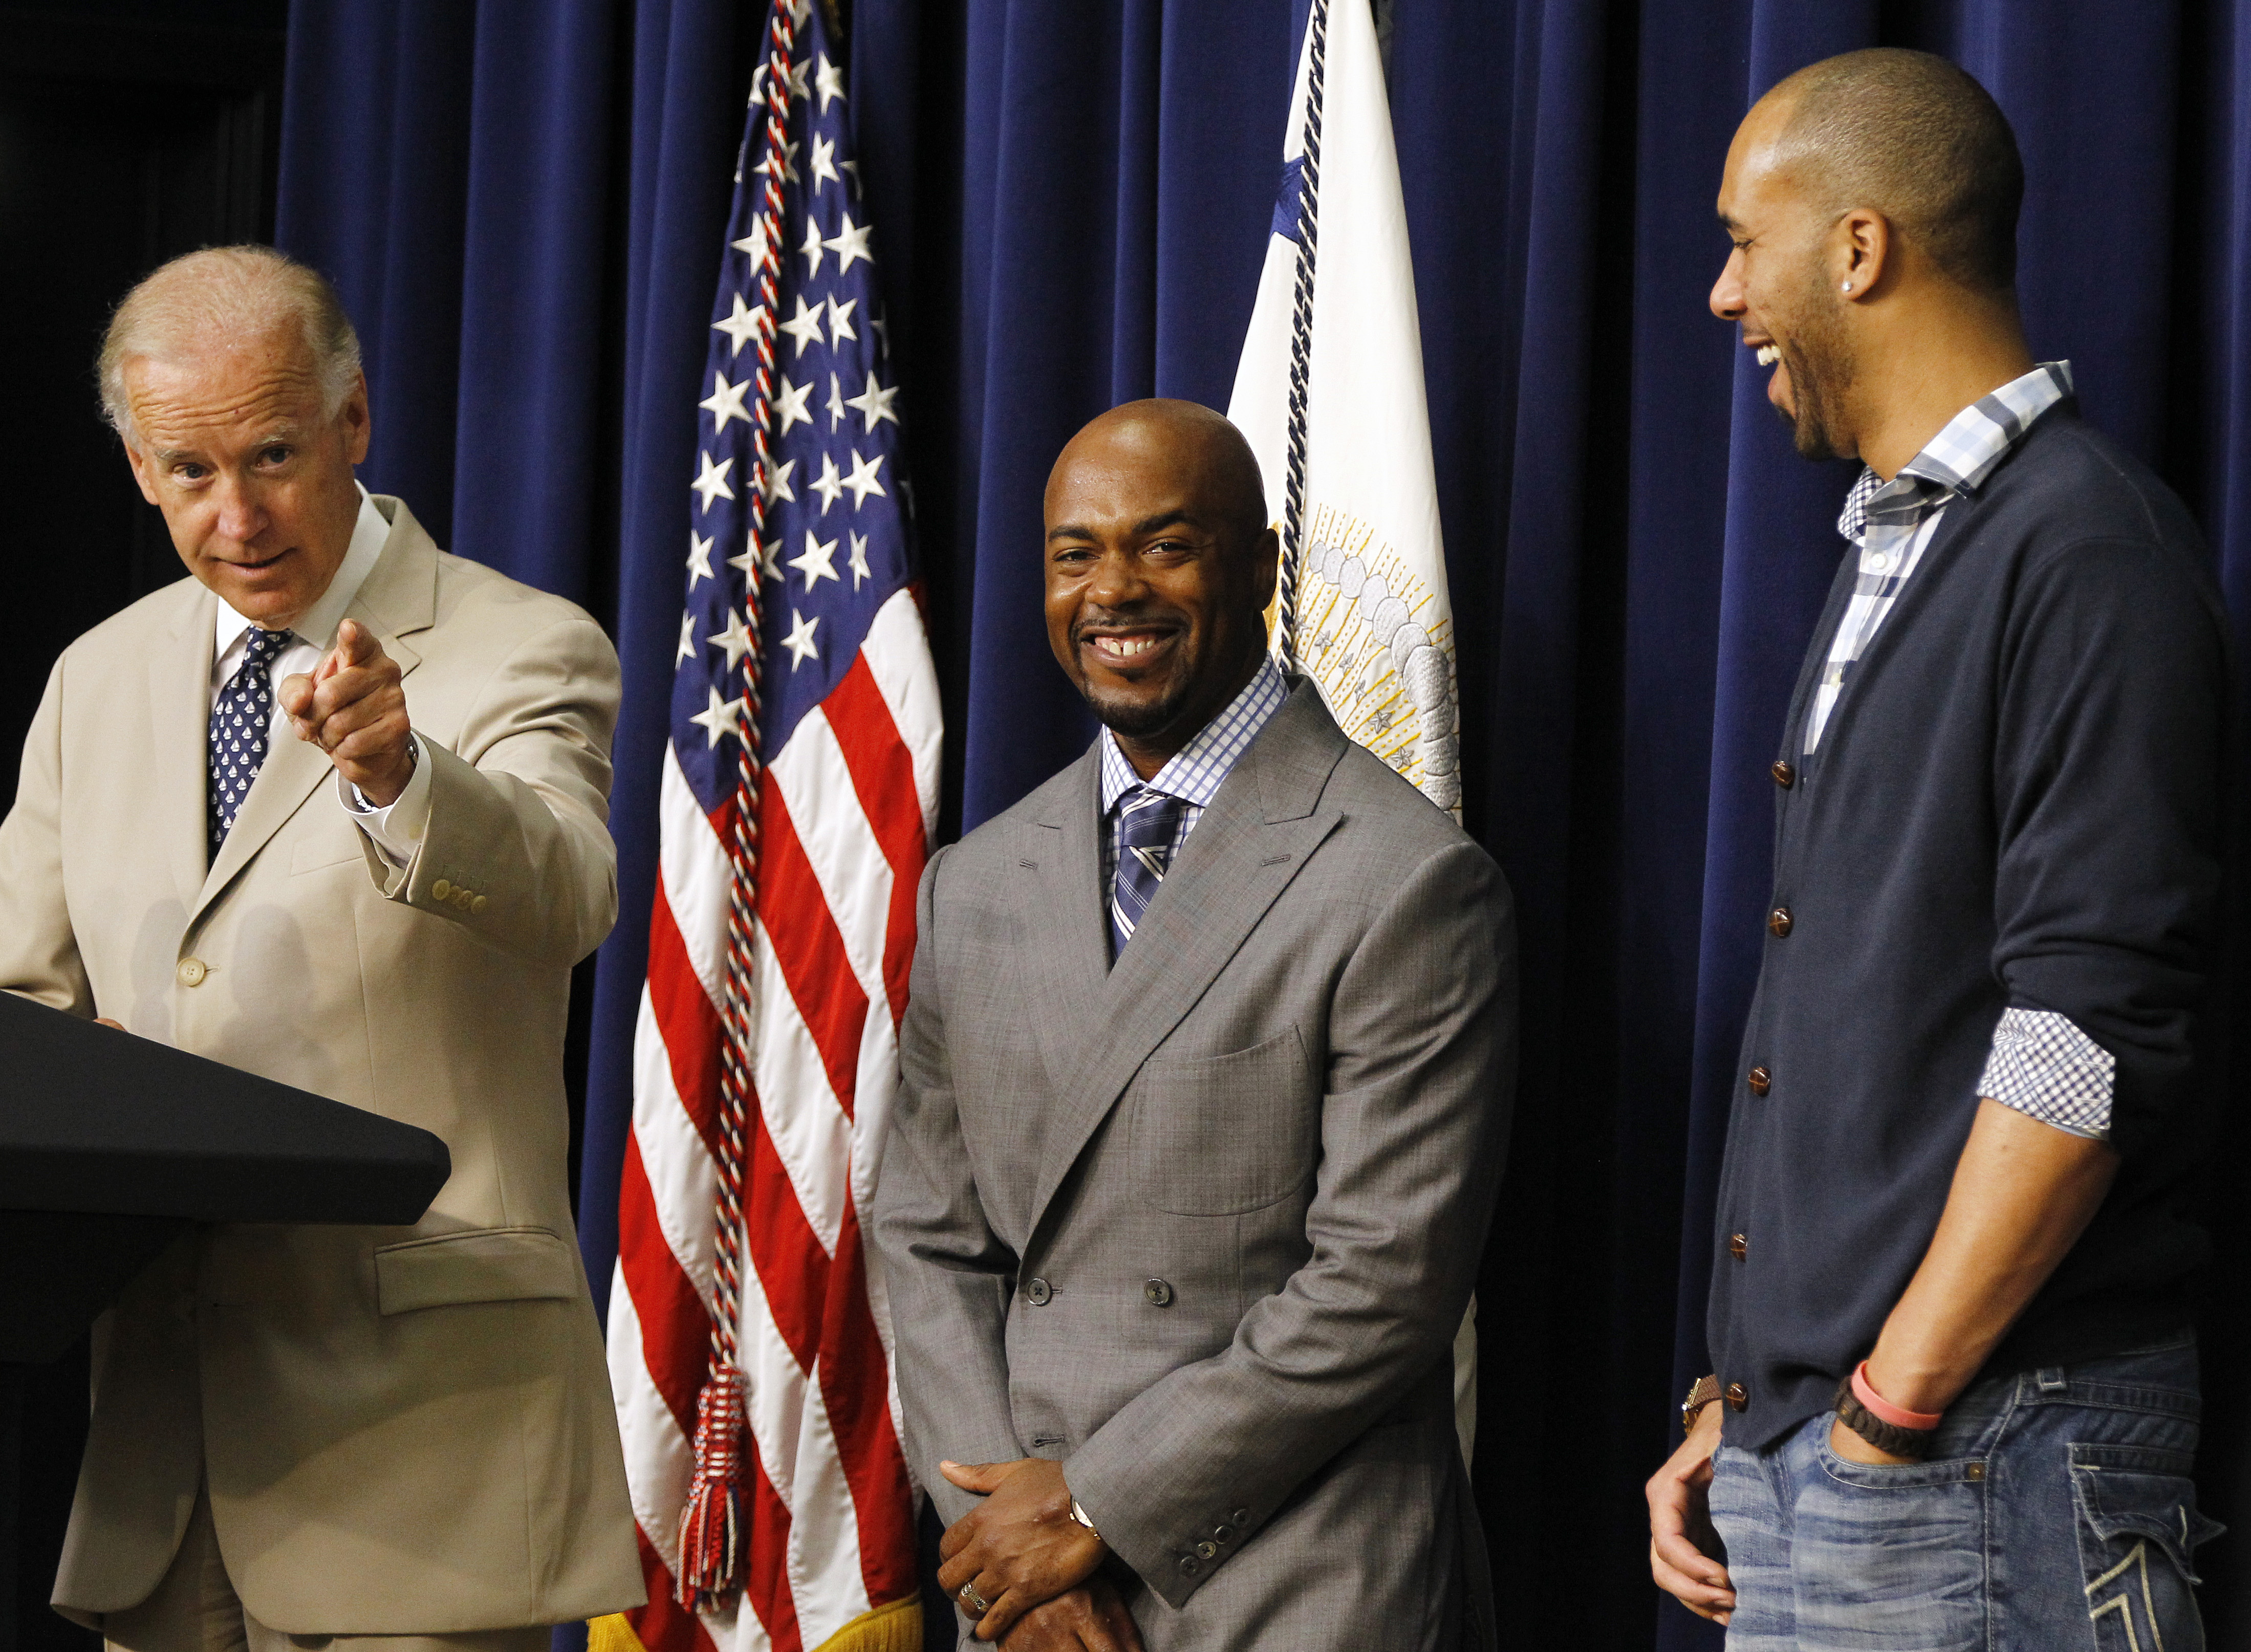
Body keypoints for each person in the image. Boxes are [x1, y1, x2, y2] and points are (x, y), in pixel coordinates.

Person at [1647, 49, 2228, 1648]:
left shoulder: (2086, 550)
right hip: (1832, 1461)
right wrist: (1745, 1398)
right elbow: (1871, 1025)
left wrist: (1888, 1406)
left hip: (1973, 1458)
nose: (1718, 295)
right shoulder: (1898, 550)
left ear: (1856, 248)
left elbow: (2083, 1033)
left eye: (1737, 242)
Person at [0, 246, 642, 1646]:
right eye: (189, 470)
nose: (237, 515)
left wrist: (406, 776)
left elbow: (569, 889)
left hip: (423, 1452)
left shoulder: (521, 644)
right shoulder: (93, 680)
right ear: (137, 470)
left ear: (354, 421)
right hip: (165, 1460)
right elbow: (18, 1009)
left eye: (276, 453)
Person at [873, 400, 1516, 1651]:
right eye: (1076, 553)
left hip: (1299, 1581)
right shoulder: (976, 880)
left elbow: (1382, 1288)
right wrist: (1013, 1556)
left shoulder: (1406, 878)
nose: (1114, 590)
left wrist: (1096, 1510)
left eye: (1166, 545)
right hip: (1030, 1600)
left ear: (1262, 569)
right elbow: (926, 1239)